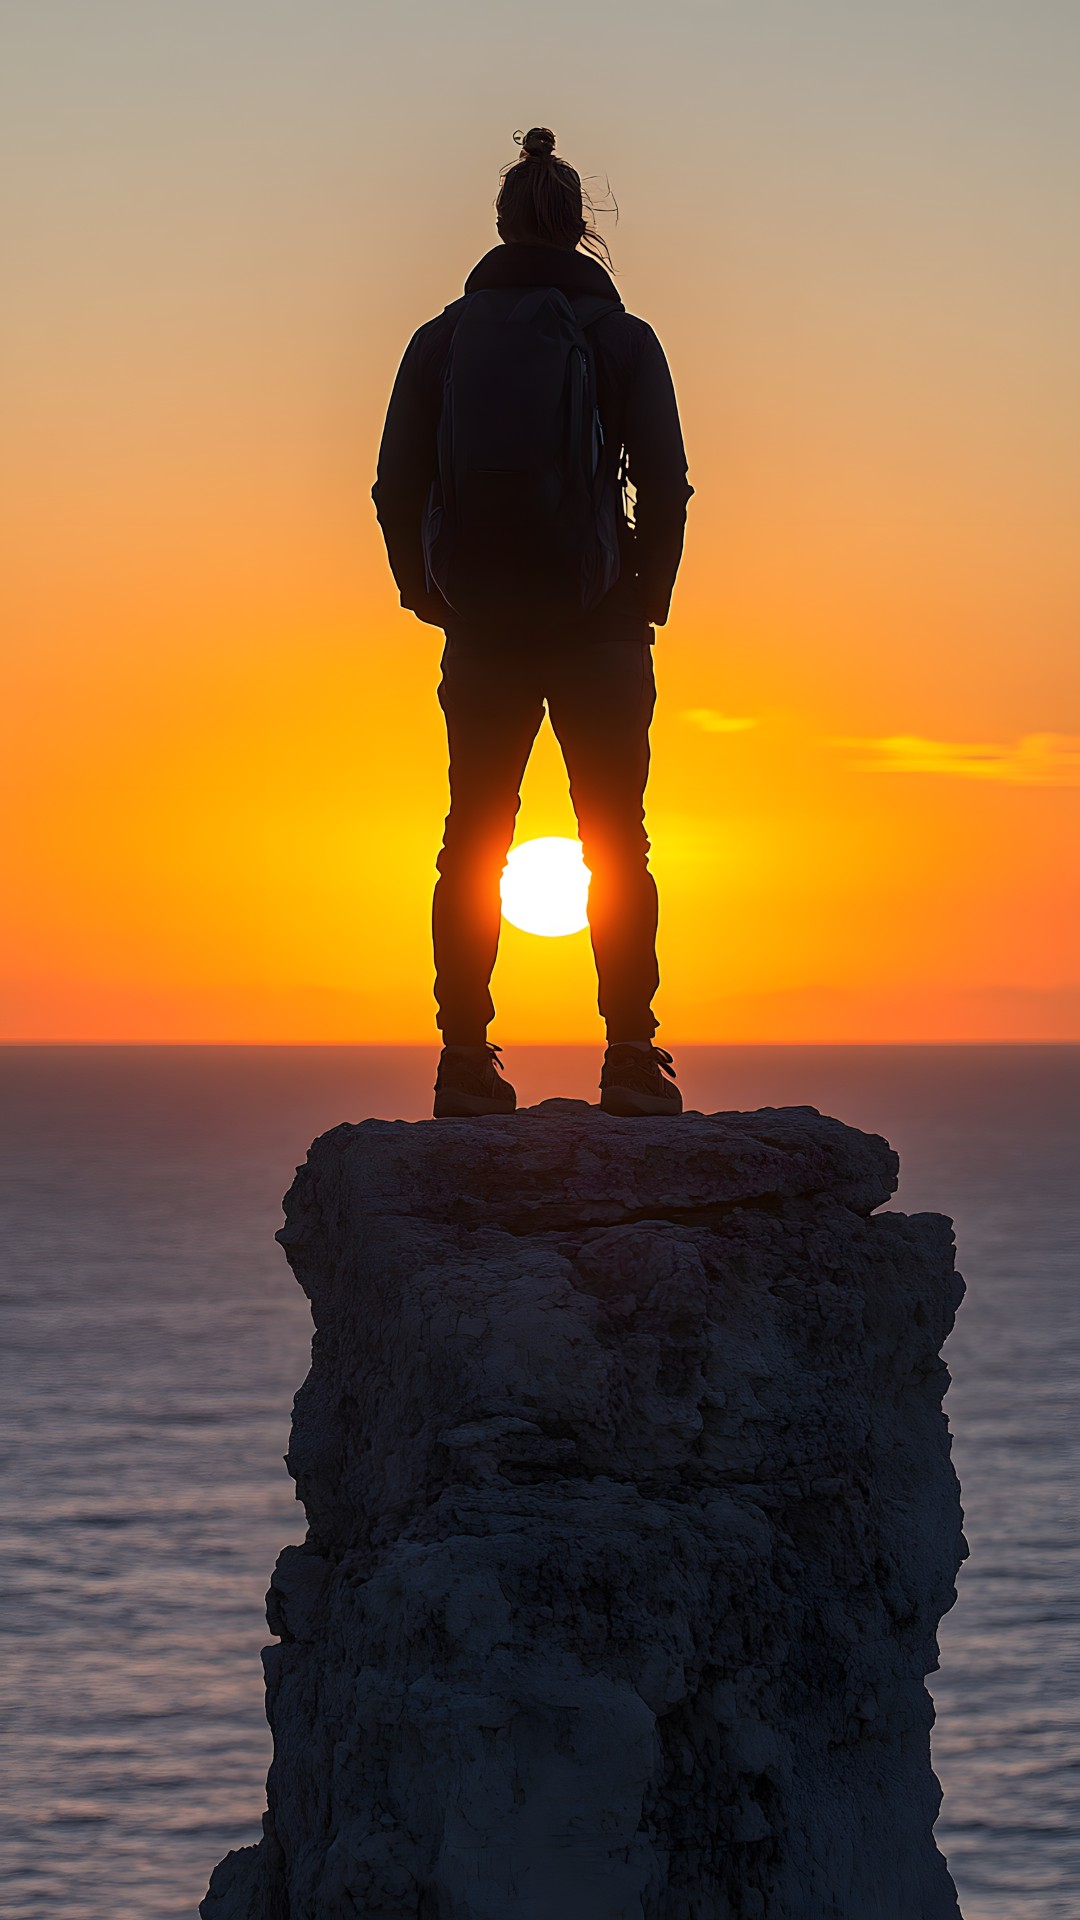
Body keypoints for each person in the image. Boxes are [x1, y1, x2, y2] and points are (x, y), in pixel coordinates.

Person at [373, 127, 693, 1118]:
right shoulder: (623, 340)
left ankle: (463, 1061)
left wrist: (427, 593)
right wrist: (646, 597)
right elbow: (668, 488)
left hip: (484, 629)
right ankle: (631, 1059)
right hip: (599, 628)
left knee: (473, 836)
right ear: (580, 228)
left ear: (503, 225)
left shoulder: (442, 340)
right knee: (616, 840)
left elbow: (396, 486)